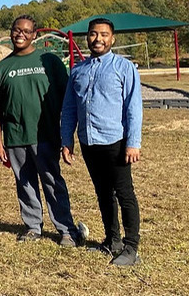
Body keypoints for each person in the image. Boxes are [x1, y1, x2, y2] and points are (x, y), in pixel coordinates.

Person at [0, 15, 87, 246]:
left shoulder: (50, 61)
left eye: (26, 31)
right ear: (11, 32)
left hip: (45, 134)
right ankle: (33, 227)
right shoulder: (2, 68)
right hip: (15, 136)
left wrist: (67, 136)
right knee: (25, 183)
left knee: (52, 182)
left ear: (34, 35)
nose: (20, 34)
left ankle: (66, 230)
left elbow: (68, 100)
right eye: (16, 30)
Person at [61, 18, 143, 265]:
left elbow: (133, 107)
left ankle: (131, 247)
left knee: (124, 192)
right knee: (102, 192)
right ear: (88, 37)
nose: (98, 39)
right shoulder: (78, 71)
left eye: (104, 35)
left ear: (112, 38)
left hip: (115, 141)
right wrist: (67, 141)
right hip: (89, 141)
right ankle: (112, 240)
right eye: (94, 34)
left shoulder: (124, 68)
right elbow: (69, 108)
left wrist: (133, 142)